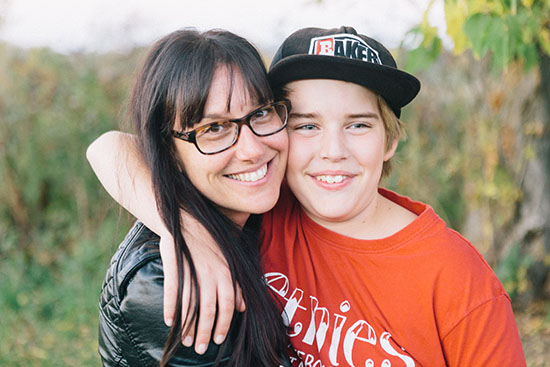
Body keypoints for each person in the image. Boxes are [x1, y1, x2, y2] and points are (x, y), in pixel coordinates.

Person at [88, 26, 526, 366]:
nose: (332, 152)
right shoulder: (260, 211)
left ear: (389, 141)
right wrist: (183, 228)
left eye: (358, 124)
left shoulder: (459, 284)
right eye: (306, 125)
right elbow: (112, 146)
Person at [88, 28, 293, 367]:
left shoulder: (254, 210)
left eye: (260, 113)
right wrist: (184, 230)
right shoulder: (166, 281)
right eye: (214, 128)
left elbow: (109, 146)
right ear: (168, 151)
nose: (253, 149)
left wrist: (185, 225)